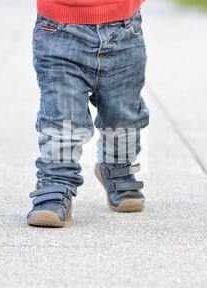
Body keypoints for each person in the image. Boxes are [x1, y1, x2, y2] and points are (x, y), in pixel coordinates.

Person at [28, 0, 149, 227]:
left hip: (124, 29)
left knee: (123, 113)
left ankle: (117, 167)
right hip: (58, 30)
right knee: (63, 115)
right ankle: (56, 182)